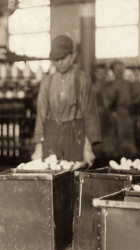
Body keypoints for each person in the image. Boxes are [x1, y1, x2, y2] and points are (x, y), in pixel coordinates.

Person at [31, 35, 101, 166]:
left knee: (74, 175)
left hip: (75, 136)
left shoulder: (83, 80)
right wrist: (38, 147)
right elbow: (40, 117)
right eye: (56, 60)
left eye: (63, 58)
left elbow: (90, 115)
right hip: (51, 137)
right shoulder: (47, 82)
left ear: (73, 55)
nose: (60, 63)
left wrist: (88, 147)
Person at [104, 60, 140, 158]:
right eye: (117, 69)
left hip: (126, 114)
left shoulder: (129, 84)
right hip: (113, 116)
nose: (119, 72)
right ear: (113, 71)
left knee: (128, 140)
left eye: (121, 69)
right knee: (113, 142)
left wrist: (132, 102)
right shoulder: (109, 86)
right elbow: (106, 103)